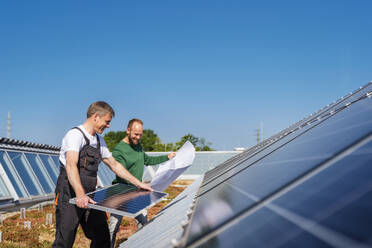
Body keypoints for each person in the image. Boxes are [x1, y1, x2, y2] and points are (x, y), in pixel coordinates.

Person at [52, 102, 152, 248]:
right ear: (96, 117)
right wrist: (80, 194)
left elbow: (114, 165)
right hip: (69, 195)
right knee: (64, 241)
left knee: (102, 237)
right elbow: (71, 164)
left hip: (90, 195)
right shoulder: (75, 135)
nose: (108, 125)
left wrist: (139, 183)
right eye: (107, 121)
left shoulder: (99, 141)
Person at [108, 118, 176, 248]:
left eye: (140, 134)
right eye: (135, 134)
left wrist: (167, 157)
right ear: (128, 130)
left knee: (144, 225)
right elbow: (120, 172)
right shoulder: (119, 150)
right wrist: (138, 183)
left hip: (137, 192)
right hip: (120, 194)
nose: (138, 137)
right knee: (113, 229)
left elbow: (148, 160)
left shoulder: (138, 146)